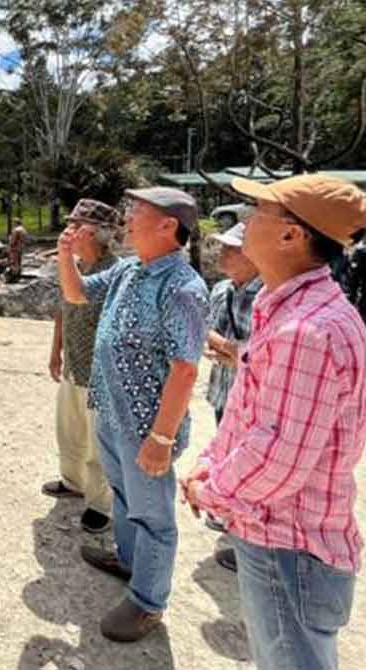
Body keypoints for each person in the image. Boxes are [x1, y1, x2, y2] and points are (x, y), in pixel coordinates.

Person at [183, 174, 366, 670]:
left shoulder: (309, 329)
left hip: (290, 545)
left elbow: (278, 454)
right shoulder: (287, 307)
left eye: (257, 214)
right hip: (281, 536)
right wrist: (210, 460)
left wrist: (210, 488)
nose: (244, 226)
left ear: (292, 235)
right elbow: (248, 412)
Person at [56, 187, 209, 642]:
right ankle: (127, 558)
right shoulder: (129, 271)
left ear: (168, 226)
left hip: (147, 428)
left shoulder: (181, 287)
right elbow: (77, 293)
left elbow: (185, 368)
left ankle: (148, 601)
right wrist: (65, 254)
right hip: (111, 412)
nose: (127, 219)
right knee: (124, 497)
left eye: (138, 212)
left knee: (154, 516)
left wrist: (161, 440)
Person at [43, 199, 120, 534]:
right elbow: (64, 308)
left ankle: (100, 504)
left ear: (94, 234)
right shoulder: (74, 268)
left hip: (100, 373)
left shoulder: (115, 273)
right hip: (74, 365)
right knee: (70, 430)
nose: (69, 231)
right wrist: (55, 351)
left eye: (77, 226)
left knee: (98, 442)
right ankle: (72, 482)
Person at [203, 222, 262, 573]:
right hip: (224, 387)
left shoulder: (269, 296)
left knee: (250, 463)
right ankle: (228, 516)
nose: (223, 253)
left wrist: (233, 351)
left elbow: (266, 356)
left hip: (254, 398)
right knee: (226, 451)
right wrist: (232, 350)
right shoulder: (221, 289)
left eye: (232, 248)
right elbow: (205, 328)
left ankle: (247, 539)